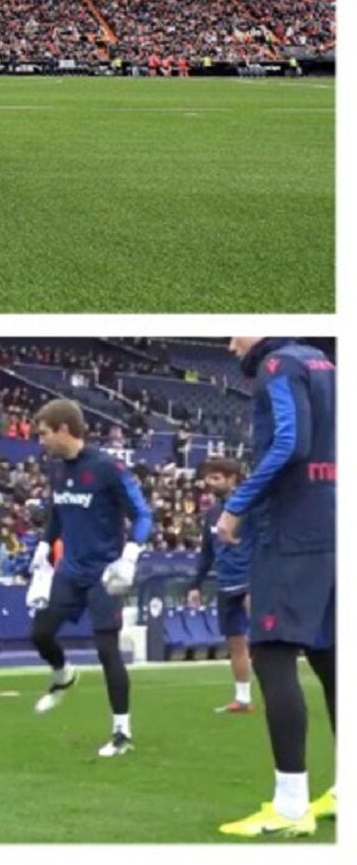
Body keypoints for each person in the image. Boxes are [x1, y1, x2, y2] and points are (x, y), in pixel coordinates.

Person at [217, 338, 335, 838]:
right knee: (333, 659)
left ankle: (290, 804)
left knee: (271, 650)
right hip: (331, 525)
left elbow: (290, 442)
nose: (230, 344)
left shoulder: (277, 364)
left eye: (234, 332)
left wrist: (237, 503)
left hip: (290, 532)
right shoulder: (325, 362)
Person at [28, 398, 152, 758]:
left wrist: (129, 555)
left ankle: (121, 732)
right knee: (40, 633)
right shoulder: (56, 469)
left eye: (44, 434)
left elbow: (142, 514)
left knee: (106, 650)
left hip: (103, 574)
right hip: (70, 571)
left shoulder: (107, 468)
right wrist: (43, 547)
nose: (41, 441)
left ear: (64, 430)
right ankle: (64, 674)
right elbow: (57, 514)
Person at [186, 456, 254, 714]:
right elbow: (207, 552)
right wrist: (195, 585)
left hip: (250, 580)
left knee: (264, 641)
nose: (209, 483)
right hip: (225, 582)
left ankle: (279, 693)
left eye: (215, 477)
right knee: (235, 643)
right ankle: (243, 698)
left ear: (232, 478)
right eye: (207, 478)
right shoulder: (213, 513)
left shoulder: (248, 506)